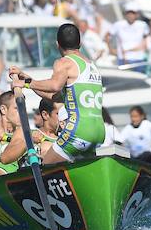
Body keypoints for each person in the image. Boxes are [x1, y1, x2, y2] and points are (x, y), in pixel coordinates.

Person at [8, 22, 105, 165]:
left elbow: (54, 85)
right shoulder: (92, 66)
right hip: (99, 133)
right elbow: (54, 97)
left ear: (57, 44)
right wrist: (28, 81)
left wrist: (25, 84)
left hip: (79, 131)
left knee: (46, 168)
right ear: (80, 43)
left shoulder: (64, 62)